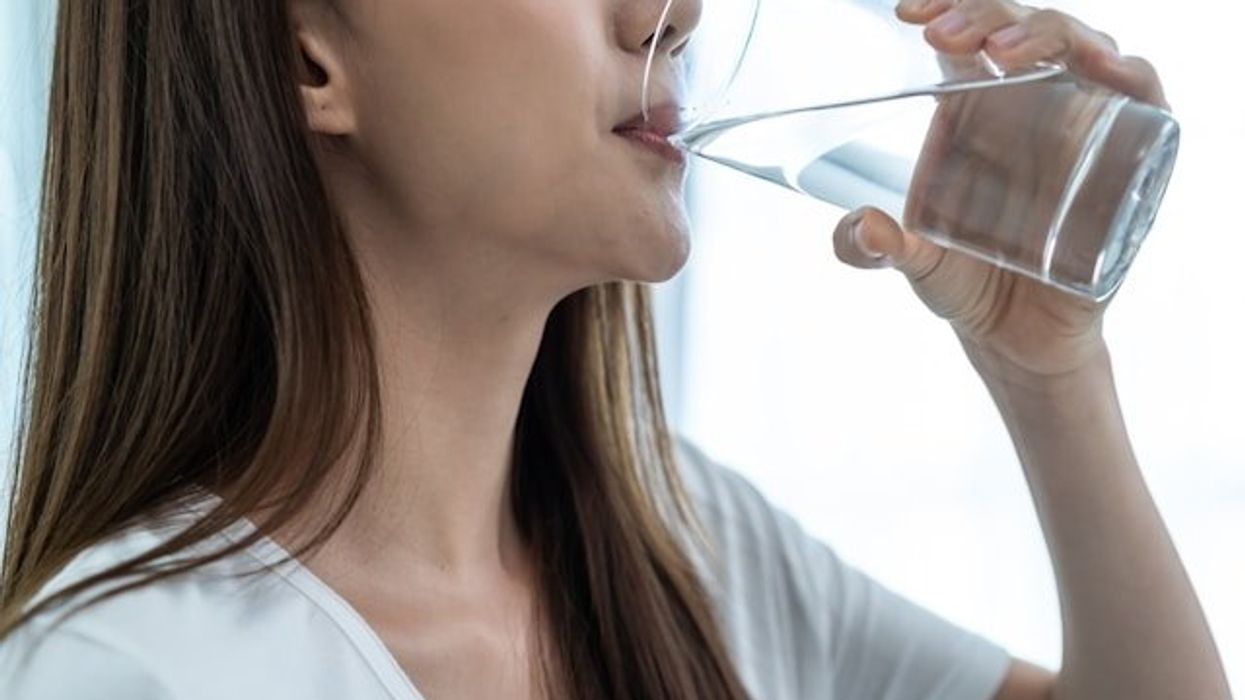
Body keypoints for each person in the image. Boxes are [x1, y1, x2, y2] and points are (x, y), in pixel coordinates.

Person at [0, 0, 1231, 698]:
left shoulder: (698, 553)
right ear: (305, 57)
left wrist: (1049, 375)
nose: (674, 12)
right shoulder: (125, 673)